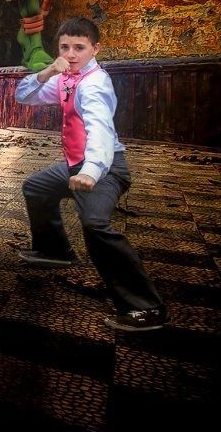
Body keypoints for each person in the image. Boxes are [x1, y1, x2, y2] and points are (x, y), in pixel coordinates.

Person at [13, 16, 167, 331]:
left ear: (95, 49)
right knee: (36, 187)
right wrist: (46, 72)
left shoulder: (95, 83)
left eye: (79, 48)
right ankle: (55, 250)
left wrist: (92, 172)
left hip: (104, 167)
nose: (70, 54)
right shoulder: (64, 78)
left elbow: (99, 129)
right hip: (74, 164)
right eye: (64, 47)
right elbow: (22, 96)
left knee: (95, 225)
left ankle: (146, 307)